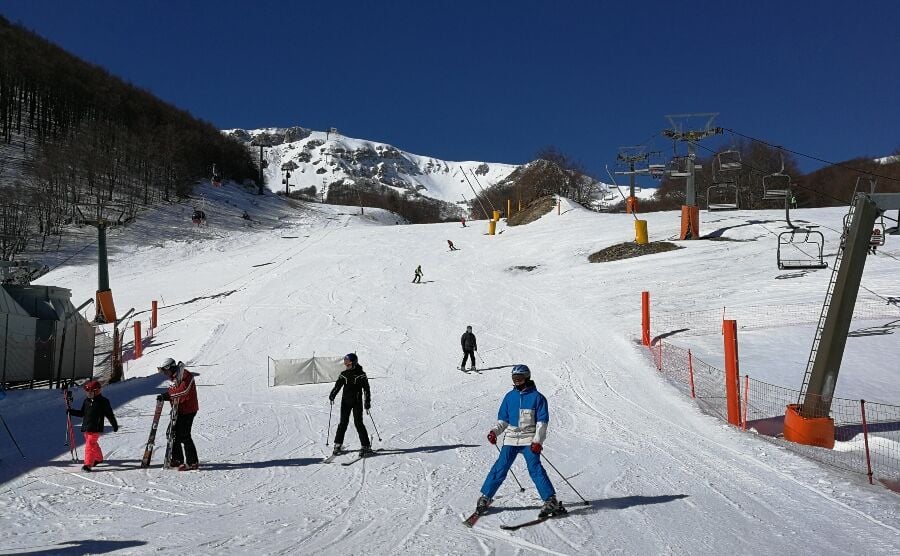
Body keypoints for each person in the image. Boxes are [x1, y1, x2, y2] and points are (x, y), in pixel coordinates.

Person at [475, 365, 565, 518]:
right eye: (514, 379)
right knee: (500, 467)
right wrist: (494, 432)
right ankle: (486, 497)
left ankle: (551, 500)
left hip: (529, 439)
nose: (516, 382)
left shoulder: (538, 398)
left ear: (527, 378)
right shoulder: (510, 397)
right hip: (511, 438)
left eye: (519, 379)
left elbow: (542, 423)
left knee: (535, 469)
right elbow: (503, 420)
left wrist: (538, 441)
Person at [158, 358, 200, 471]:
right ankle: (177, 459)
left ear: (171, 368)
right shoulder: (174, 378)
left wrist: (169, 395)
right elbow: (174, 390)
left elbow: (183, 391)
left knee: (184, 435)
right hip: (179, 409)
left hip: (189, 410)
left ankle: (192, 462)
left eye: (165, 371)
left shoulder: (186, 375)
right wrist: (166, 395)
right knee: (172, 434)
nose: (165, 374)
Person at [67, 380, 118, 472]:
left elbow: (109, 414)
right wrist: (72, 411)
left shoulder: (103, 402)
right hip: (86, 427)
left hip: (96, 428)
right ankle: (98, 458)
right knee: (93, 444)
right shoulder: (86, 401)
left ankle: (88, 464)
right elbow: (82, 413)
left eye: (90, 392)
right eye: (87, 392)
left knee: (89, 445)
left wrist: (114, 425)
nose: (88, 394)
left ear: (97, 391)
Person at [329, 353, 372, 456]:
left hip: (357, 402)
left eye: (348, 362)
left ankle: (365, 445)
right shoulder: (344, 374)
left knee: (358, 423)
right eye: (345, 362)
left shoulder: (361, 374)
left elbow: (366, 389)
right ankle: (338, 444)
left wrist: (367, 401)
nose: (346, 364)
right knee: (343, 423)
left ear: (353, 362)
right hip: (345, 402)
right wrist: (333, 394)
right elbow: (337, 386)